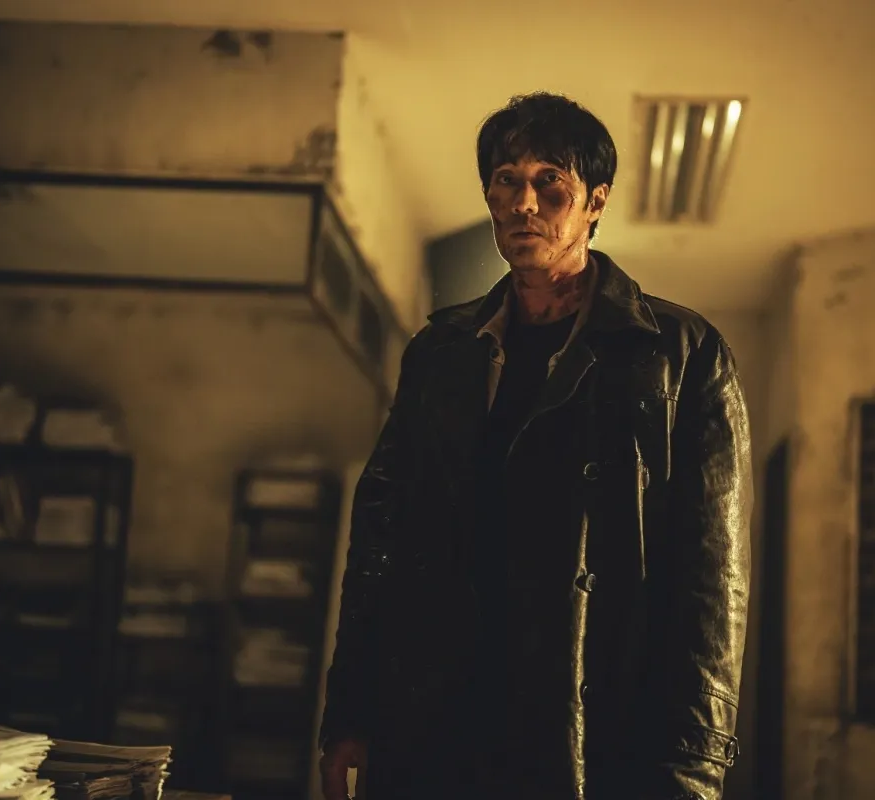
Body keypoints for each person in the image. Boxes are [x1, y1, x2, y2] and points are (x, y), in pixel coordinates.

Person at [319, 92, 752, 800]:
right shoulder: (442, 352)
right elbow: (382, 538)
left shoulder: (680, 354)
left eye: (551, 181)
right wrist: (351, 712)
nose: (525, 203)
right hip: (437, 721)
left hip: (594, 726)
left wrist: (695, 768)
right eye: (506, 181)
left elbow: (712, 579)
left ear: (595, 202)